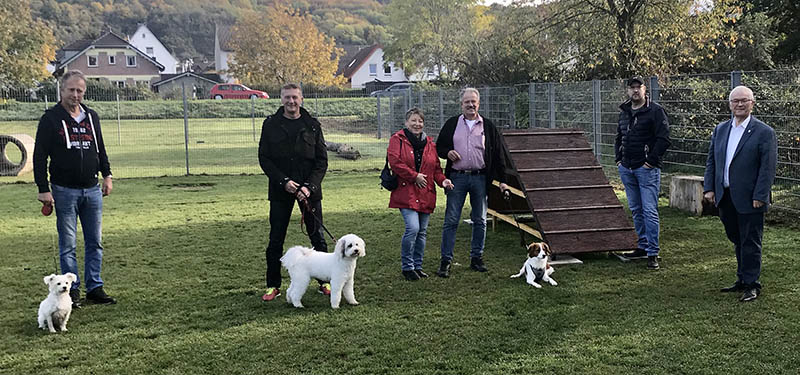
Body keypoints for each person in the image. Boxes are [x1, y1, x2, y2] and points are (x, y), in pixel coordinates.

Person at [33, 70, 116, 308]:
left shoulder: (91, 117)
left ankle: (95, 287)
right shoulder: (50, 119)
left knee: (95, 241)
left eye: (80, 90)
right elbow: (40, 157)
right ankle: (72, 291)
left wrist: (107, 175)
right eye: (71, 90)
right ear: (62, 90)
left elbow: (100, 148)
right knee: (68, 244)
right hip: (63, 190)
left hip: (92, 190)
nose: (76, 95)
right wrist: (43, 188)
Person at [703, 85, 777, 302]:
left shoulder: (764, 132)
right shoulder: (721, 129)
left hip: (751, 197)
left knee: (751, 240)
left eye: (744, 100)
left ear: (752, 104)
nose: (740, 104)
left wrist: (760, 196)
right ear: (729, 104)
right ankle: (742, 278)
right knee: (736, 238)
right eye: (735, 101)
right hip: (725, 196)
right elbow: (712, 161)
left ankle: (752, 284)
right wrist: (709, 188)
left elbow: (768, 168)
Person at [258, 83, 330, 301]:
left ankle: (324, 281)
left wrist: (309, 187)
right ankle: (273, 285)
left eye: (295, 98)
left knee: (317, 236)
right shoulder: (270, 125)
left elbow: (321, 161)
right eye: (287, 97)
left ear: (301, 99)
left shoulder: (313, 125)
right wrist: (284, 182)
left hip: (310, 191)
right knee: (276, 238)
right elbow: (264, 159)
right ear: (281, 99)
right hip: (281, 190)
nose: (291, 102)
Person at [435, 88, 509, 277]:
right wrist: (447, 153)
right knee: (451, 220)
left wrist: (503, 181)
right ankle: (446, 261)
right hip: (457, 178)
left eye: (473, 101)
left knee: (480, 220)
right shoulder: (452, 124)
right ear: (461, 104)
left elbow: (499, 154)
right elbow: (439, 147)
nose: (470, 105)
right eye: (467, 102)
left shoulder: (488, 126)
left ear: (478, 104)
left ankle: (477, 258)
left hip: (480, 178)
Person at [387, 108, 454, 281]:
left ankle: (418, 265)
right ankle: (407, 266)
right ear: (406, 122)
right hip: (406, 192)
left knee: (422, 231)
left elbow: (436, 170)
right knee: (413, 228)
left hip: (426, 193)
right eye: (413, 121)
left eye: (420, 121)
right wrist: (414, 176)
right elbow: (395, 162)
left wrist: (443, 181)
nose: (417, 124)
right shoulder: (397, 140)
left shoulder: (430, 144)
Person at [615, 76, 671, 270]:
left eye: (639, 87)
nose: (635, 91)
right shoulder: (624, 112)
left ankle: (653, 252)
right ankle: (642, 245)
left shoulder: (655, 111)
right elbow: (619, 136)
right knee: (636, 209)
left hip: (646, 169)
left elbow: (663, 139)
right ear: (628, 91)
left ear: (645, 90)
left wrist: (651, 162)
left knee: (649, 210)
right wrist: (619, 159)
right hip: (627, 168)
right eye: (632, 88)